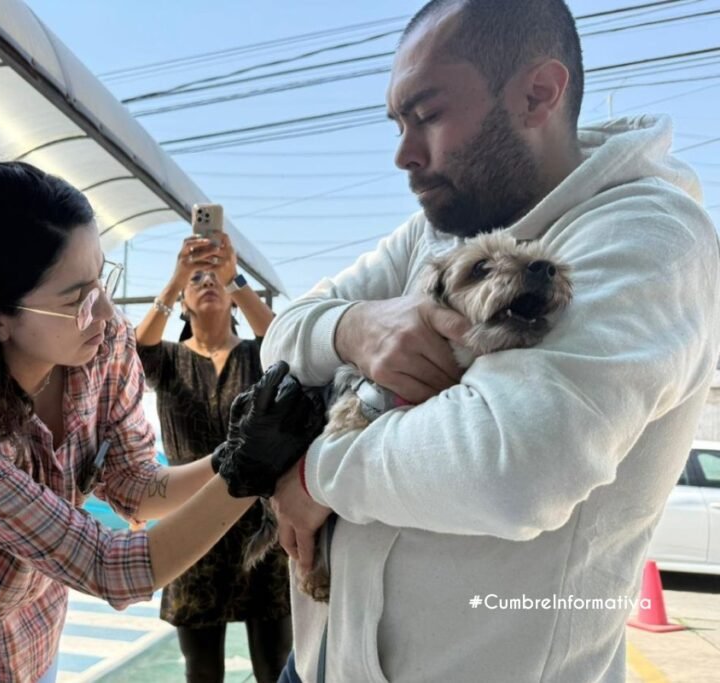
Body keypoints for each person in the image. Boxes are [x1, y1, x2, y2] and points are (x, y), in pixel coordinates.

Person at [262, 1, 720, 681]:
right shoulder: (435, 232)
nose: (403, 154)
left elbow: (511, 465)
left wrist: (315, 476)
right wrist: (354, 326)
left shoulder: (649, 234)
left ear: (538, 93)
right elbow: (281, 333)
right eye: (398, 124)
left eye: (427, 114)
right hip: (321, 661)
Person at [0, 161, 325, 683]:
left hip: (30, 623)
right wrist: (246, 473)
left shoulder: (103, 347)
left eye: (101, 279)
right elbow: (109, 566)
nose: (105, 311)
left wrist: (235, 453)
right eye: (76, 297)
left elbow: (136, 487)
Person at [134, 232, 290, 682]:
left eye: (215, 279)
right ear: (182, 304)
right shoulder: (167, 360)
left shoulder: (258, 355)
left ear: (234, 301)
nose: (208, 283)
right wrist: (175, 277)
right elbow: (137, 351)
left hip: (261, 524)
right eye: (196, 280)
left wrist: (234, 277)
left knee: (275, 665)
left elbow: (285, 339)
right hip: (190, 522)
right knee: (202, 671)